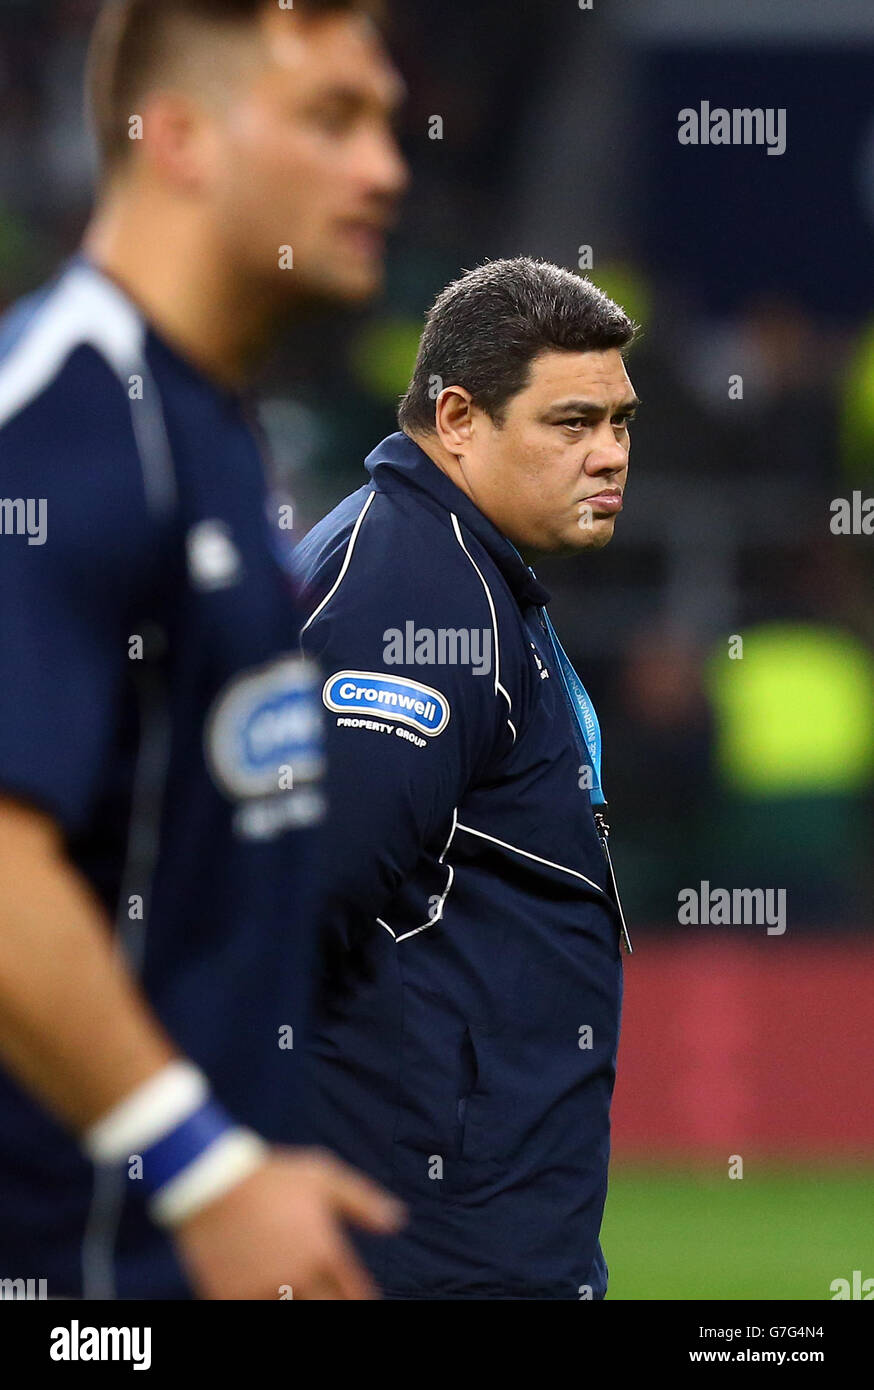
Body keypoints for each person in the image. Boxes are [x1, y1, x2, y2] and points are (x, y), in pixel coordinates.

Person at [0, 0, 408, 1301]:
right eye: (332, 118)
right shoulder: (59, 426)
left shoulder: (213, 434)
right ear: (177, 136)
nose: (385, 167)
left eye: (386, 122)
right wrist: (202, 1168)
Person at [295, 257, 639, 1299]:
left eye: (621, 422)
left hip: (473, 1219)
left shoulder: (451, 567)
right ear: (456, 418)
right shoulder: (416, 593)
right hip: (428, 1235)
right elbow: (293, 895)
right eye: (571, 423)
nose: (610, 456)